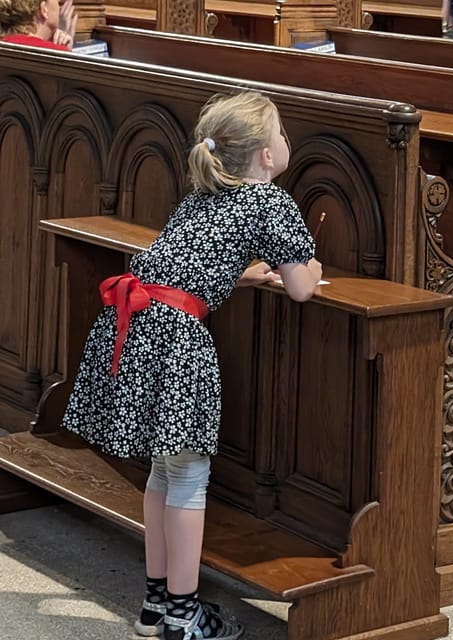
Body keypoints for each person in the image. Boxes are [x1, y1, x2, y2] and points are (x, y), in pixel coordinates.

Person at [60, 91, 325, 640]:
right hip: (175, 340)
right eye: (280, 134)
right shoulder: (273, 203)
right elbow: (301, 288)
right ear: (265, 157)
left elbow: (189, 262)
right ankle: (184, 616)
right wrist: (312, 262)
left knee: (163, 469)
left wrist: (239, 275)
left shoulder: (205, 191)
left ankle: (156, 604)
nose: (286, 142)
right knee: (188, 477)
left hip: (135, 322)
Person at [0, 0, 76, 50]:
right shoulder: (58, 55)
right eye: (57, 2)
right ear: (44, 10)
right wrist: (65, 50)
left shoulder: (4, 47)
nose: (59, 7)